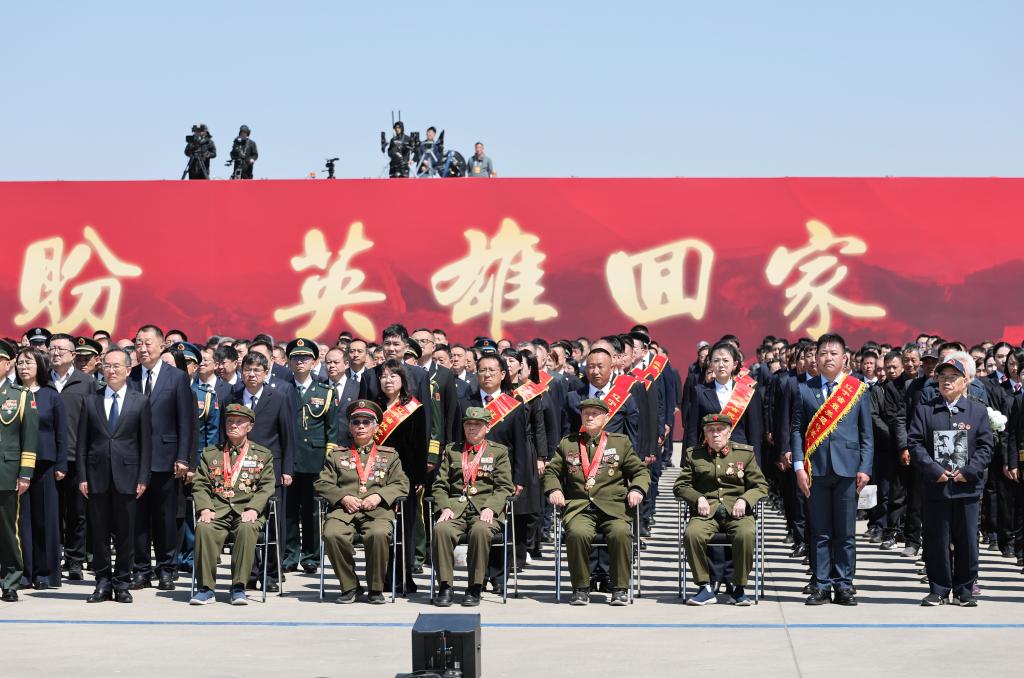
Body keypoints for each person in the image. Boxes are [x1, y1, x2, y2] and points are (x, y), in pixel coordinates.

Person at [790, 333, 873, 606]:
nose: (828, 357)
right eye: (823, 353)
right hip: (816, 470)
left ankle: (844, 584)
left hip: (848, 470)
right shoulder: (804, 389)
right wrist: (799, 466)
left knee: (846, 533)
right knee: (820, 531)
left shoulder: (857, 389)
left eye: (833, 353)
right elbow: (796, 430)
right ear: (815, 357)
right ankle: (821, 585)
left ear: (844, 358)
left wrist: (865, 467)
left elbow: (866, 433)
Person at [543, 398, 649, 606]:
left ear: (606, 418)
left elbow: (640, 472)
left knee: (620, 533)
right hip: (580, 508)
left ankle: (619, 588)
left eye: (595, 414)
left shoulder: (620, 443)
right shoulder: (568, 443)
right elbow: (551, 472)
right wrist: (554, 489)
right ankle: (581, 588)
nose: (590, 417)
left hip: (613, 508)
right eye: (586, 414)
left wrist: (637, 489)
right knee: (577, 534)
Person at [909, 354, 993, 606]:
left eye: (953, 377)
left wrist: (969, 471)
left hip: (967, 488)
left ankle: (964, 588)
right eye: (942, 377)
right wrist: (934, 470)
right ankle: (939, 588)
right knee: (937, 538)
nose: (947, 381)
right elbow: (915, 444)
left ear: (965, 381)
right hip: (937, 486)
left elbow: (986, 447)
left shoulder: (977, 411)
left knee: (967, 539)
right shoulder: (925, 410)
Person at [315, 400, 410, 604]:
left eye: (366, 422)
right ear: (350, 427)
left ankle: (375, 588)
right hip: (344, 510)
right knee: (331, 534)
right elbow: (322, 483)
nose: (361, 426)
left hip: (377, 512)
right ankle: (350, 586)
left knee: (378, 534)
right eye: (356, 422)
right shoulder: (337, 455)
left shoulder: (390, 455)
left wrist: (379, 496)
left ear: (376, 428)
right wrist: (343, 497)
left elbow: (402, 484)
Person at [77, 347, 151, 603]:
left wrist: (143, 478)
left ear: (128, 370)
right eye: (107, 365)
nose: (111, 370)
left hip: (128, 476)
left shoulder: (140, 401)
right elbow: (82, 443)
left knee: (125, 534)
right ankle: (102, 583)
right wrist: (82, 476)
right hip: (96, 476)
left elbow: (146, 443)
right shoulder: (91, 400)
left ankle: (122, 583)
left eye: (117, 365)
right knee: (99, 533)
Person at [674, 413, 768, 606]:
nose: (715, 434)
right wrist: (698, 498)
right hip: (706, 512)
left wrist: (745, 500)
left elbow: (760, 486)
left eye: (720, 430)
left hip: (737, 512)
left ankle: (739, 587)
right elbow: (681, 486)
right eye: (711, 430)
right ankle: (705, 587)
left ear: (729, 432)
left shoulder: (744, 454)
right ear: (705, 434)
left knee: (745, 534)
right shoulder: (694, 455)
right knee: (692, 534)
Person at [220, 351, 294, 592]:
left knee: (274, 523)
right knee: (244, 520)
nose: (252, 374)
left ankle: (271, 574)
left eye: (257, 370)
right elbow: (223, 435)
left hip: (271, 469)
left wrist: (287, 469)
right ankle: (248, 574)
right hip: (238, 470)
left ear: (266, 372)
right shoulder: (231, 397)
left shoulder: (279, 397)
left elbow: (288, 435)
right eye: (248, 369)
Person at [129, 325, 194, 592]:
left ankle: (167, 568)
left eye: (148, 343)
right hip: (133, 459)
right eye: (138, 344)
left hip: (166, 458)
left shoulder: (176, 377)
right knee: (137, 518)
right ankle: (141, 570)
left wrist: (183, 458)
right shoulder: (131, 375)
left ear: (161, 346)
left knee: (166, 518)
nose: (143, 349)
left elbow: (186, 421)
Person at [189, 404, 275, 605]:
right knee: (204, 528)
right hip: (217, 510)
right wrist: (205, 507)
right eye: (229, 421)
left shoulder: (262, 455)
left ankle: (238, 587)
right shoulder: (211, 454)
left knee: (246, 529)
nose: (233, 425)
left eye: (239, 422)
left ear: (249, 426)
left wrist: (254, 508)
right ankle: (206, 588)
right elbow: (200, 484)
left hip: (247, 510)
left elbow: (267, 486)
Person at [431, 406, 514, 607]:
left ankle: (475, 586)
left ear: (487, 427)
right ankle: (445, 586)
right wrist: (444, 507)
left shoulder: (498, 452)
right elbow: (440, 484)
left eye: (478, 424)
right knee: (441, 530)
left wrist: (491, 508)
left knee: (480, 532)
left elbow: (504, 487)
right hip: (455, 509)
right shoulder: (452, 450)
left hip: (484, 510)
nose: (472, 428)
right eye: (468, 424)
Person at [284, 338, 340, 575]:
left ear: (315, 362)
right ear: (289, 361)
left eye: (305, 358)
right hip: (288, 458)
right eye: (295, 357)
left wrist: (329, 462)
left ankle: (311, 556)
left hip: (315, 459)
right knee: (288, 510)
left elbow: (332, 431)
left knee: (312, 511)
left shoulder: (325, 391)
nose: (300, 362)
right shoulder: (283, 388)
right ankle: (289, 555)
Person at [15, 348, 68, 590]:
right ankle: (24, 572)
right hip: (17, 465)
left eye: (29, 362)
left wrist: (61, 463)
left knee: (45, 519)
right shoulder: (12, 393)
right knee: (22, 520)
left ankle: (45, 573)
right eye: (20, 363)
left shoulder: (50, 395)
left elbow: (61, 432)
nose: (23, 367)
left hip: (46, 463)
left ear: (40, 366)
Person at [373, 359, 427, 592]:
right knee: (380, 526)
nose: (388, 380)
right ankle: (382, 576)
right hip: (375, 474)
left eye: (393, 376)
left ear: (403, 380)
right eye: (384, 376)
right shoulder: (373, 406)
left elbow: (420, 444)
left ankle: (404, 575)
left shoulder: (414, 407)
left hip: (405, 475)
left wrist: (419, 477)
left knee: (405, 527)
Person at [50, 334, 96, 581]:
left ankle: (75, 559)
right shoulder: (42, 380)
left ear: (73, 355)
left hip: (77, 456)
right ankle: (51, 558)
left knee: (77, 512)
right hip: (47, 457)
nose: (55, 353)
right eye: (52, 348)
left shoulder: (86, 382)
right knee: (51, 512)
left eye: (61, 349)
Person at [0, 341, 40, 602]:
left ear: (7, 364)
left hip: (6, 471)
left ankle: (11, 580)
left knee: (7, 530)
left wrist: (25, 473)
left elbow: (29, 437)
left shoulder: (21, 395)